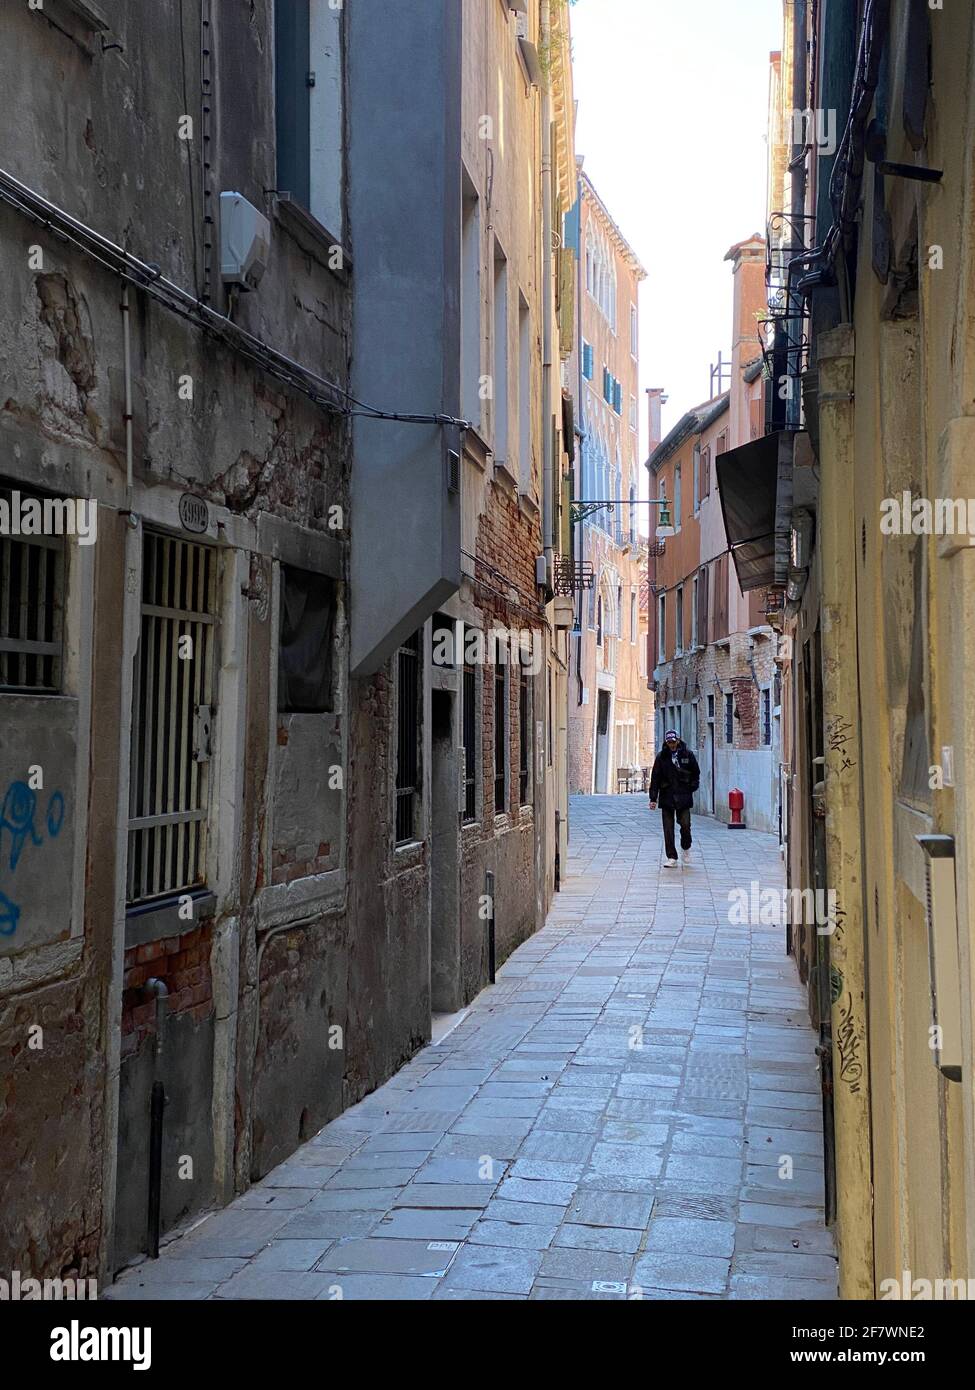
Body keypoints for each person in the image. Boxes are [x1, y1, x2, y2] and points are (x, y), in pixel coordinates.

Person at [648, 729, 701, 867]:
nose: (671, 745)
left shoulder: (687, 755)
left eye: (673, 742)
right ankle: (672, 857)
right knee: (668, 828)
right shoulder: (661, 757)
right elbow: (655, 778)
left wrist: (692, 786)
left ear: (678, 741)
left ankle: (686, 846)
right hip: (667, 796)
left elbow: (696, 772)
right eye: (669, 742)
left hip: (683, 795)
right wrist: (653, 798)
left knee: (685, 825)